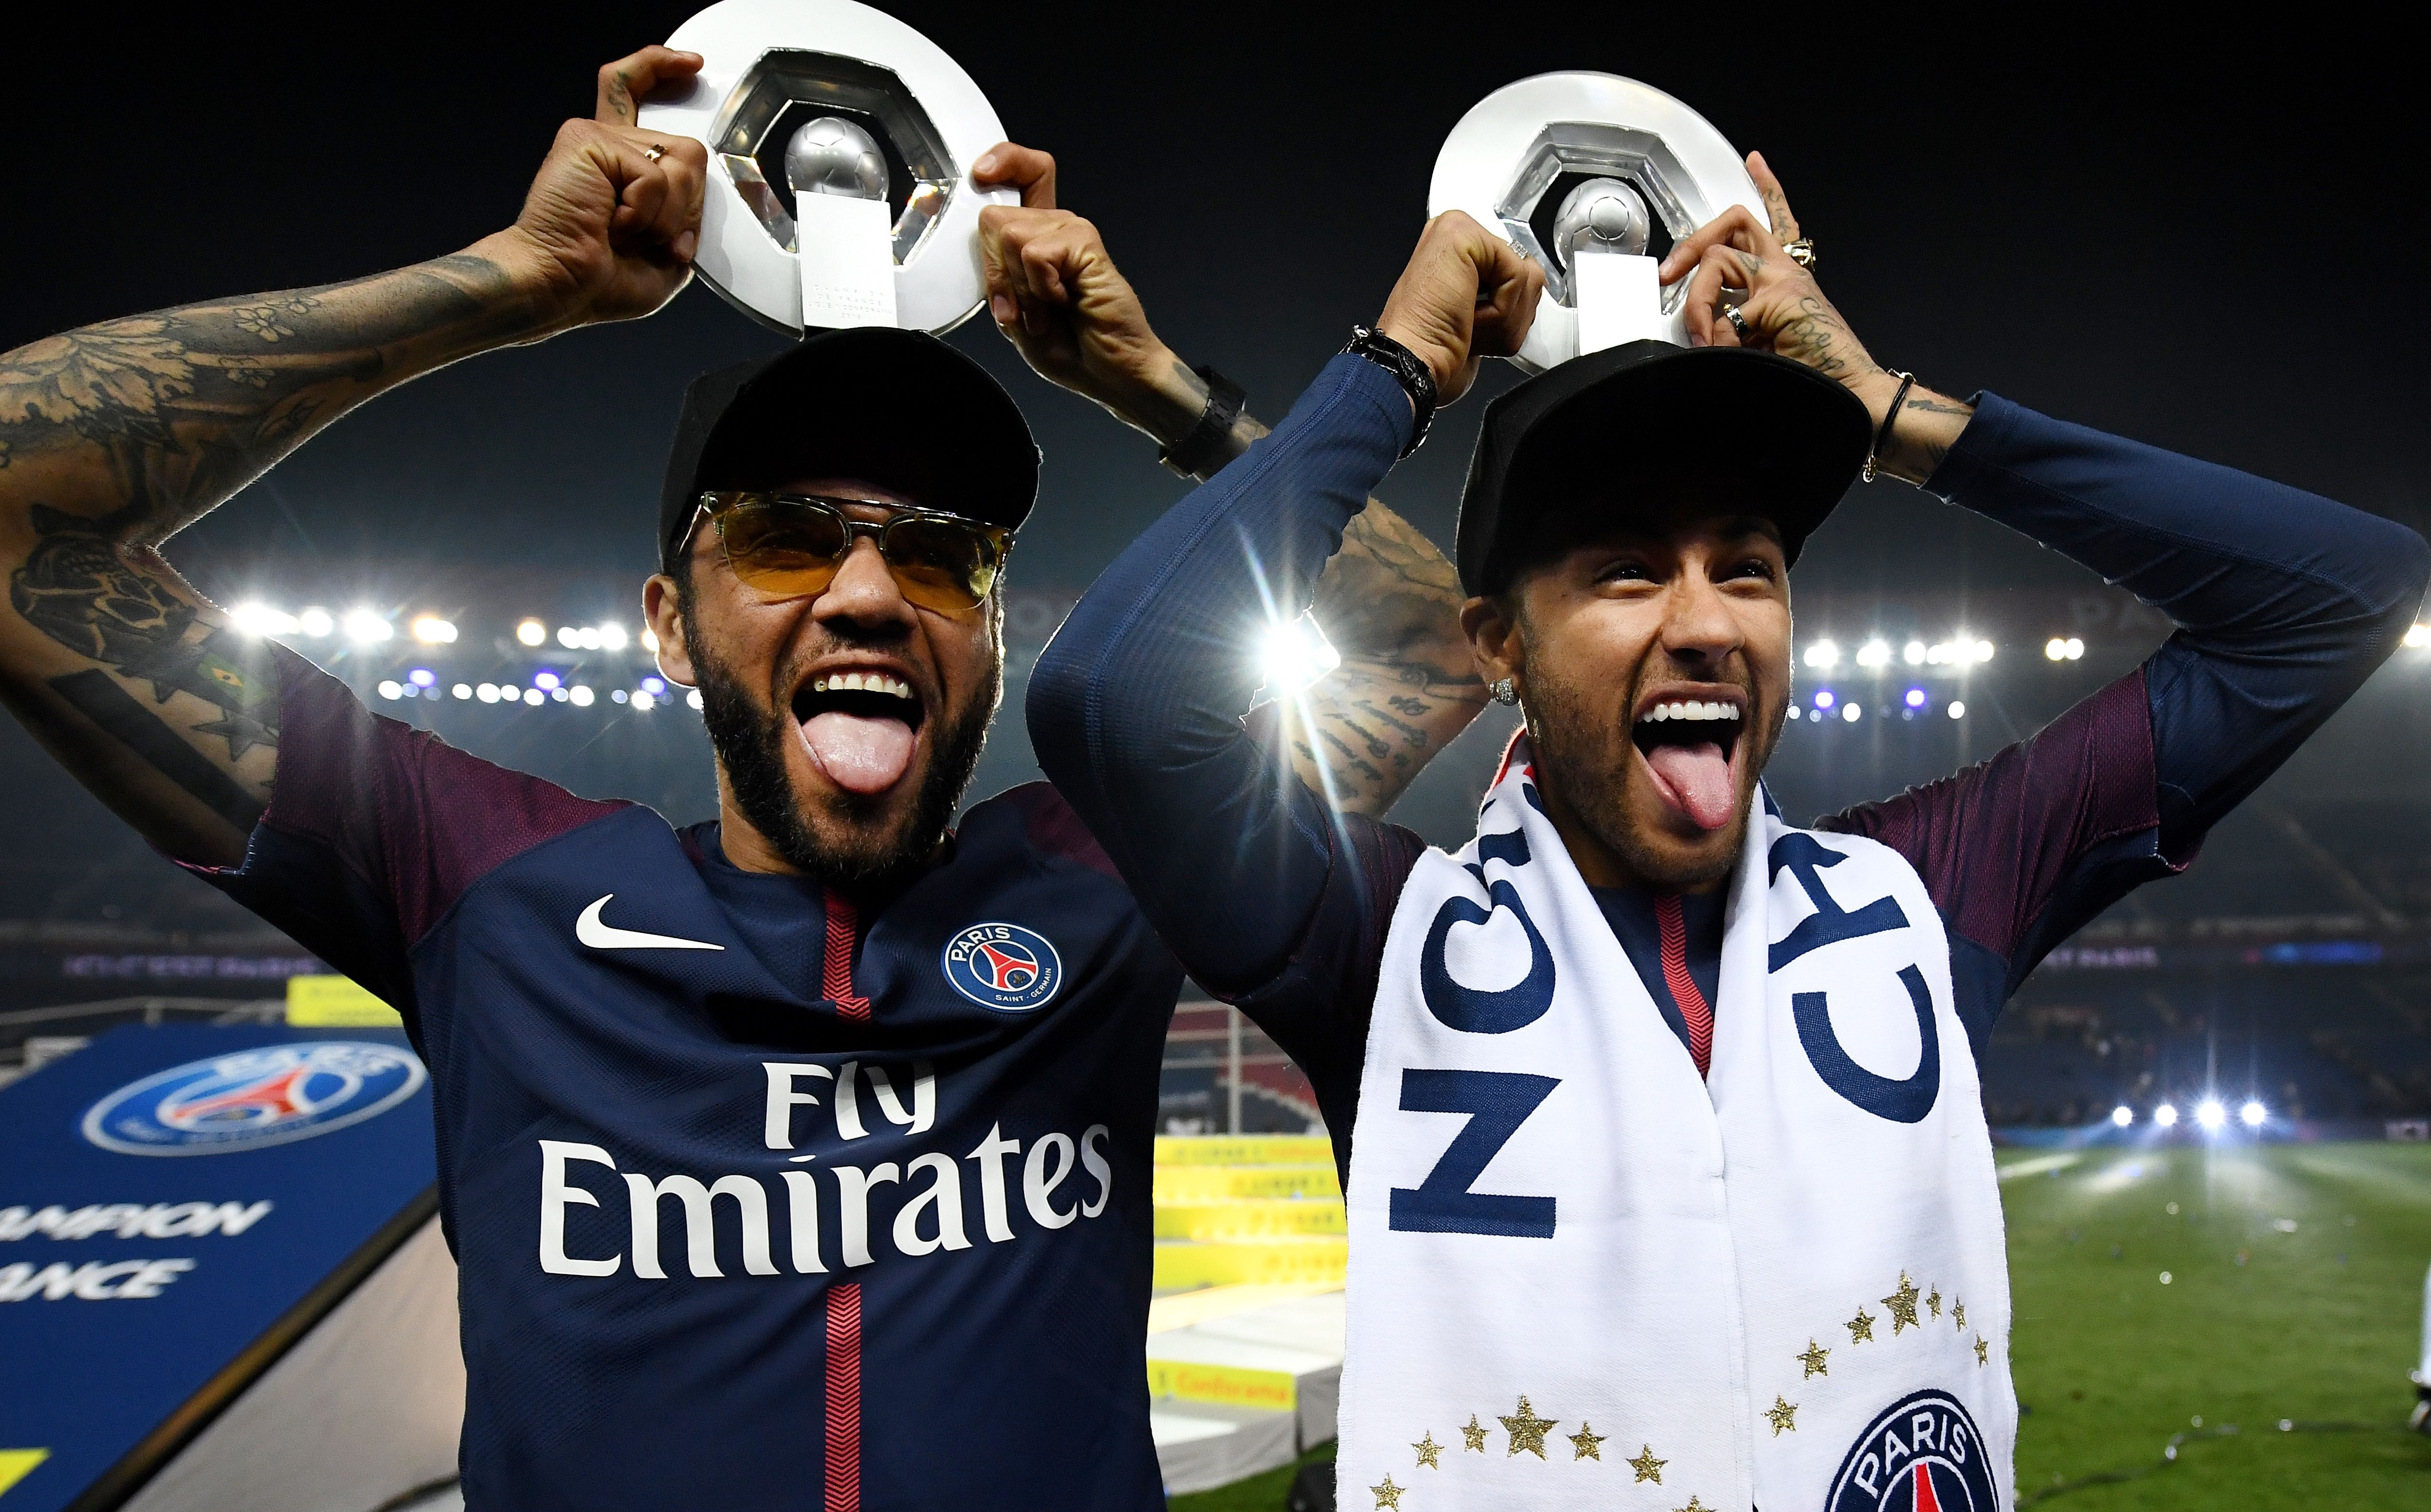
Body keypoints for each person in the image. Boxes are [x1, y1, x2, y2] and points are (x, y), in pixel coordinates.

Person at [0, 46, 1478, 1512]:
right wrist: (516, 282)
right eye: (783, 539)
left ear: (995, 636)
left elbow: (1434, 646)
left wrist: (1144, 380)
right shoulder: (479, 882)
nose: (867, 593)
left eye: (941, 555)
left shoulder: (1108, 871)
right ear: (670, 628)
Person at [1029, 157, 2430, 1509]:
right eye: (1627, 570)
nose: (1703, 625)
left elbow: (2345, 599)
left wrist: (1896, 417)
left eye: (1746, 569)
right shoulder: (1381, 933)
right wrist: (1395, 374)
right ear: (1498, 646)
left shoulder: (1926, 891)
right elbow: (1113, 701)